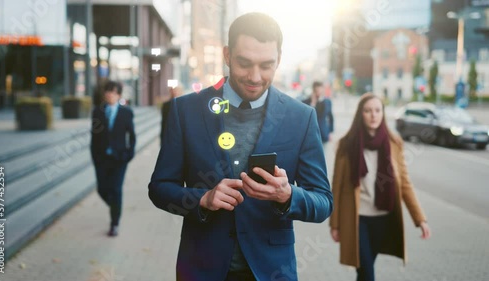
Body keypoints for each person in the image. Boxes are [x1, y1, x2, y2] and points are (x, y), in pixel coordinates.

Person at [148, 12, 333, 281]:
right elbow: (159, 188)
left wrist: (288, 195)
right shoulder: (184, 110)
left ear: (279, 59)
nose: (255, 77)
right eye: (244, 63)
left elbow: (323, 202)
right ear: (227, 55)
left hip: (271, 272)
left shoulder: (301, 117)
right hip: (201, 270)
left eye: (266, 65)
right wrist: (202, 199)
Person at [329, 93, 431, 281]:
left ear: (383, 113)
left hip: (383, 218)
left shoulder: (394, 144)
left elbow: (405, 184)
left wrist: (420, 219)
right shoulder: (346, 144)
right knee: (367, 272)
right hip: (356, 219)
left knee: (365, 270)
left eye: (377, 110)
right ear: (361, 114)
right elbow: (336, 186)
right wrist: (334, 224)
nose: (373, 115)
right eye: (368, 111)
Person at [91, 80, 136, 237]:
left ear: (118, 95)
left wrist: (128, 154)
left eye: (113, 92)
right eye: (107, 92)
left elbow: (132, 136)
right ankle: (115, 207)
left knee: (116, 190)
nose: (109, 95)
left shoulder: (126, 112)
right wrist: (95, 159)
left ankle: (114, 223)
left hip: (119, 159)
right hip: (102, 159)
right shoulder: (98, 112)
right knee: (102, 189)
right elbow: (94, 137)